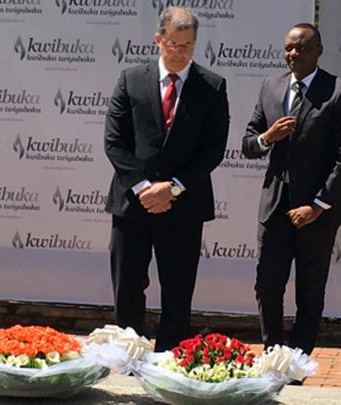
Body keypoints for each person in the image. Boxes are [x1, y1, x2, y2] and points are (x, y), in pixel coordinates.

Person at [104, 6, 230, 351]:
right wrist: (145, 188)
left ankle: (170, 361)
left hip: (184, 206)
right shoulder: (131, 79)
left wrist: (171, 188)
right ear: (158, 40)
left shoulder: (212, 87)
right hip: (132, 204)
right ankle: (130, 355)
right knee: (127, 284)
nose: (179, 52)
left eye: (187, 45)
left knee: (177, 288)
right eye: (172, 44)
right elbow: (115, 142)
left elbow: (213, 149)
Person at [242, 23, 341, 355]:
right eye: (289, 48)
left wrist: (318, 204)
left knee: (309, 290)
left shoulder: (338, 91)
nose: (294, 54)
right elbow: (249, 143)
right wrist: (269, 137)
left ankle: (297, 362)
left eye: (302, 48)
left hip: (315, 213)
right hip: (276, 207)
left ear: (319, 51)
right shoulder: (271, 86)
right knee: (267, 285)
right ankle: (273, 355)